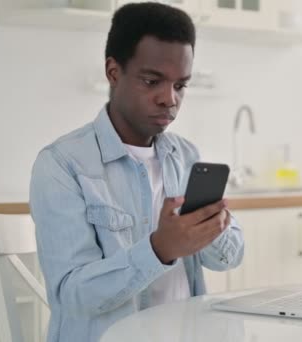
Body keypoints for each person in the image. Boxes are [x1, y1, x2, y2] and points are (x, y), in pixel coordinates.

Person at [29, 3, 244, 341]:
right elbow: (73, 295)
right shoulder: (62, 164)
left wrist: (214, 229)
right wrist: (160, 249)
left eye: (181, 85)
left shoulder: (186, 156)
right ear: (114, 72)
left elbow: (229, 259)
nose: (169, 99)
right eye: (152, 81)